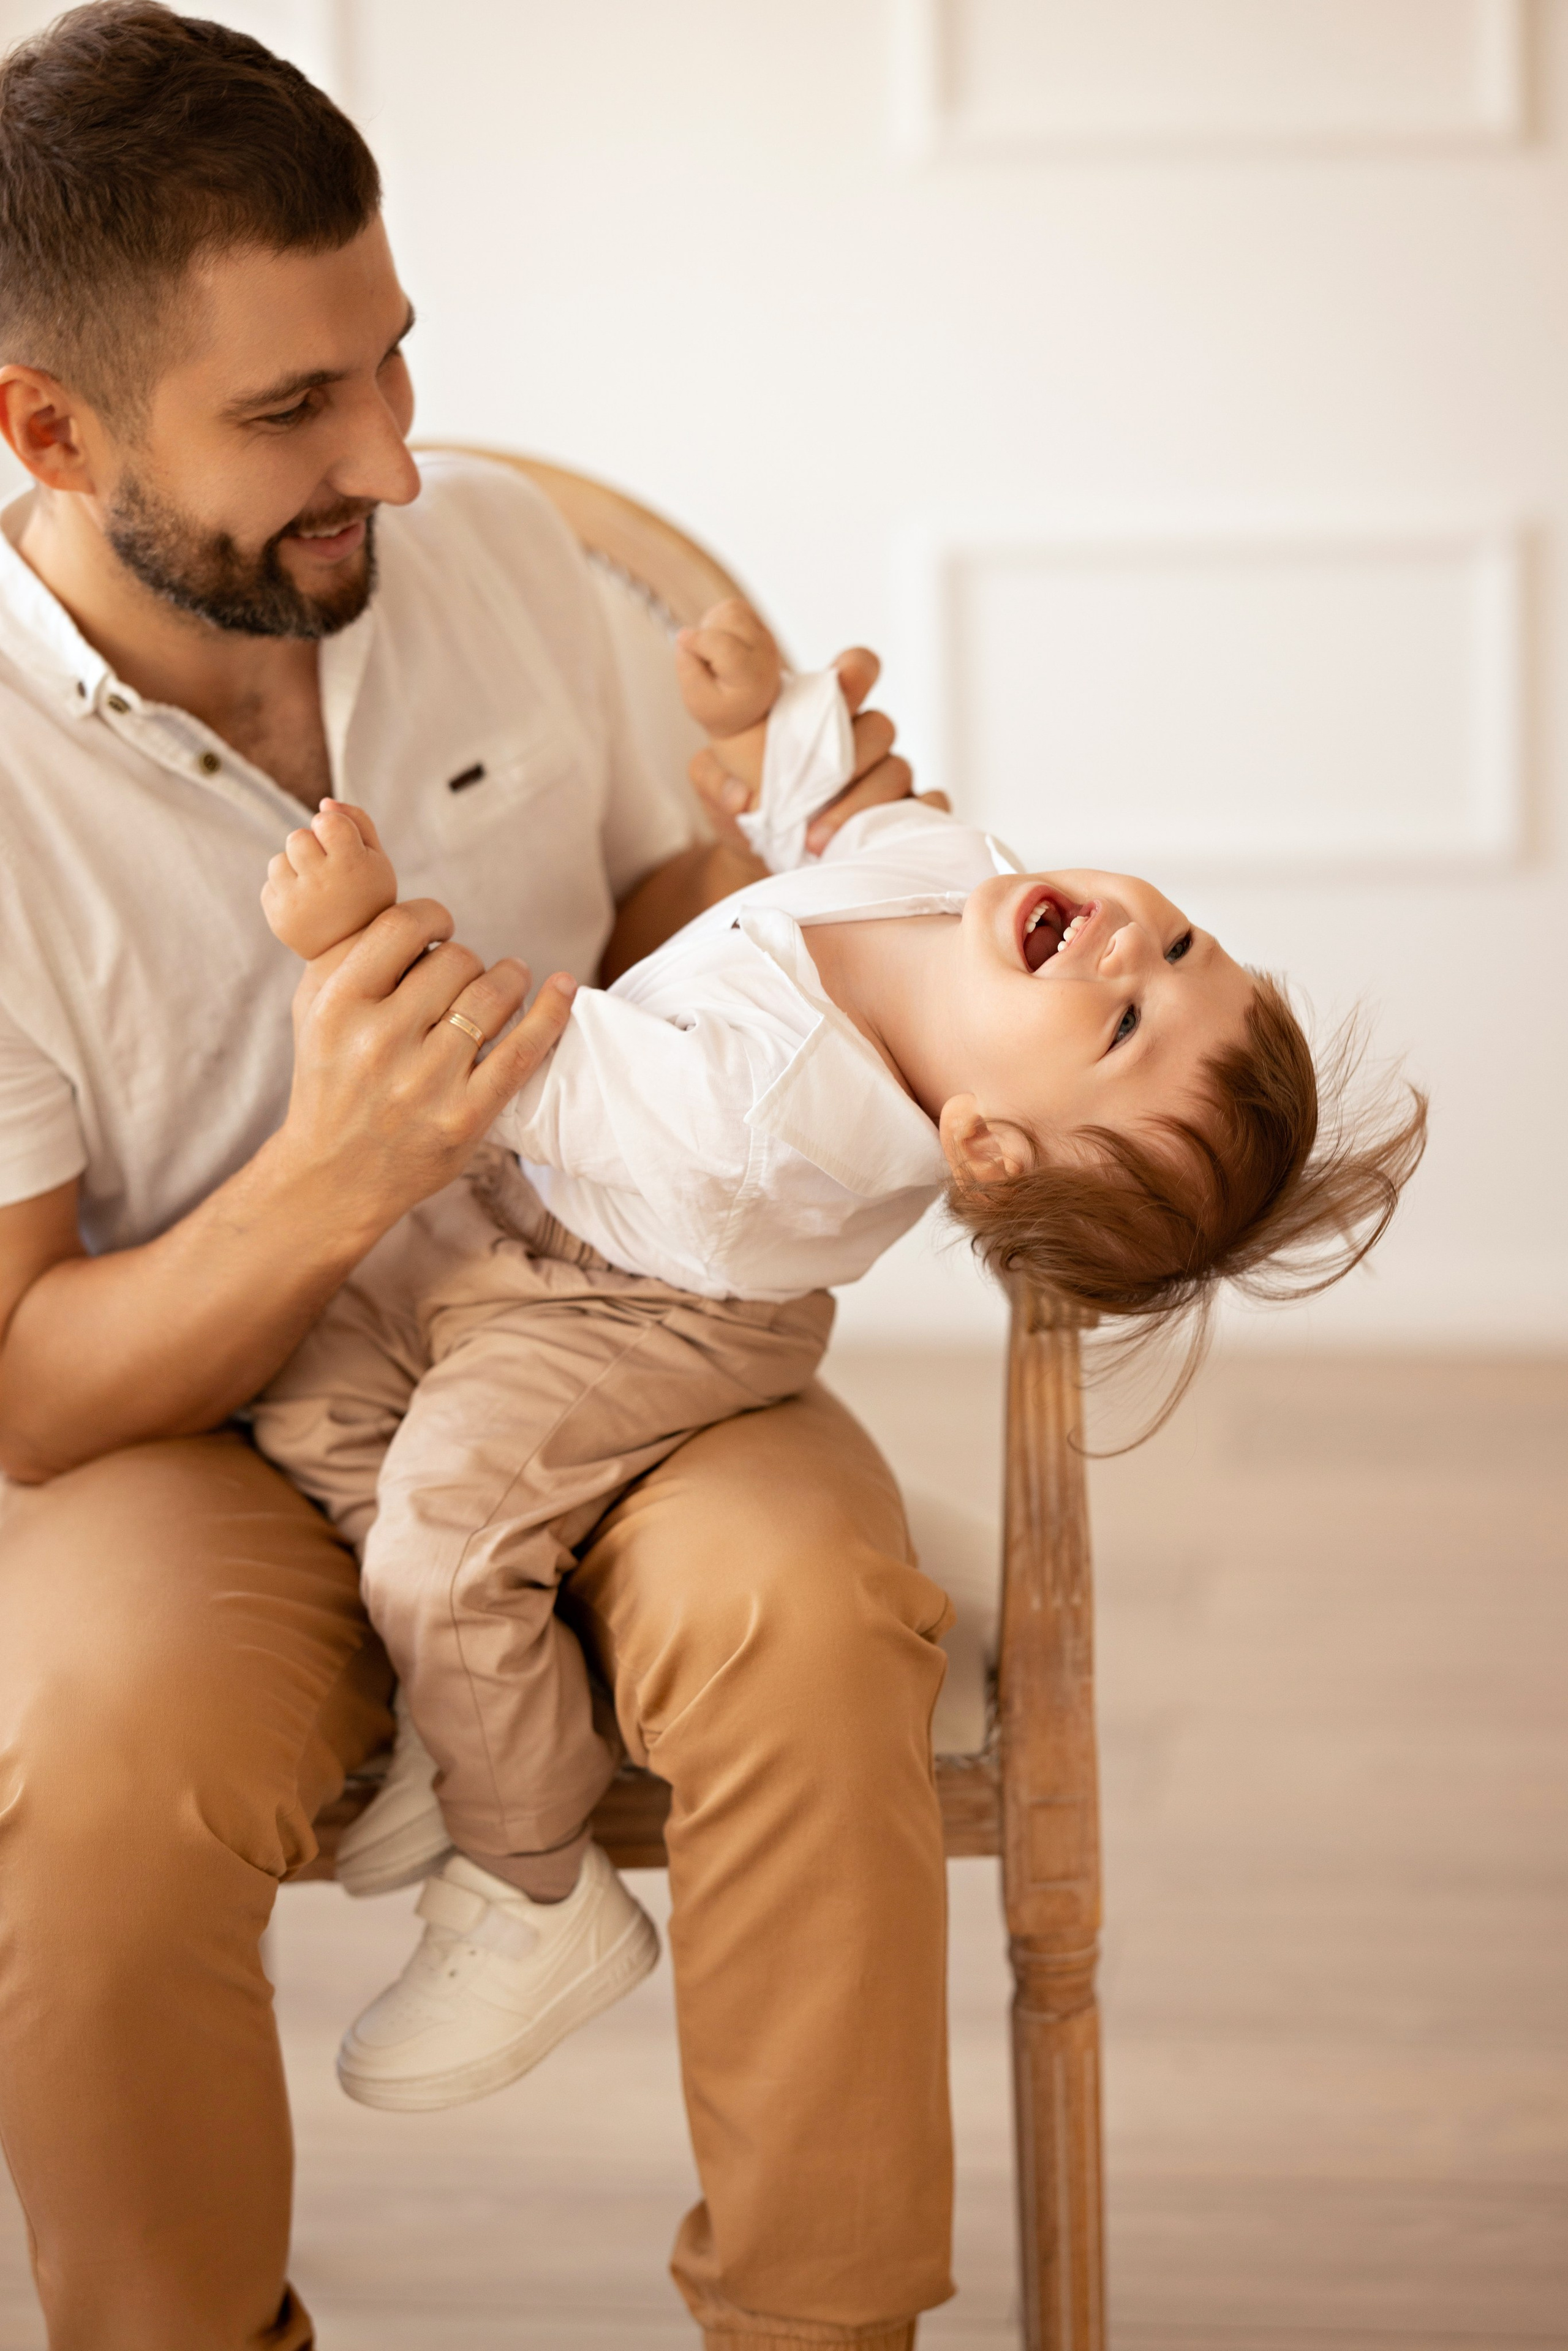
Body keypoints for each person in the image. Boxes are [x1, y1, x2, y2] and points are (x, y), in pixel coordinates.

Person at [0, 9, 962, 2349]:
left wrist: (826, 886)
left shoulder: (514, 559)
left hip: (592, 1328)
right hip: (186, 1431)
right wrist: (336, 1176)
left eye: (395, 362)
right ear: (47, 429)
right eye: (294, 414)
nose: (402, 463)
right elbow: (28, 1386)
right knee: (93, 1755)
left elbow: (673, 946)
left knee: (810, 1607)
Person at [249, 598, 1423, 2118]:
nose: (1131, 942)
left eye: (1125, 1020)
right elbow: (854, 825)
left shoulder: (761, 1113)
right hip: (518, 1220)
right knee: (301, 1396)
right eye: (1186, 941)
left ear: (983, 1148)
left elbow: (507, 1070)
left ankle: (531, 1887)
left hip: (624, 1307)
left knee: (443, 1540)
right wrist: (770, 729)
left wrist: (358, 935)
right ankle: (468, 1702)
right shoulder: (965, 889)